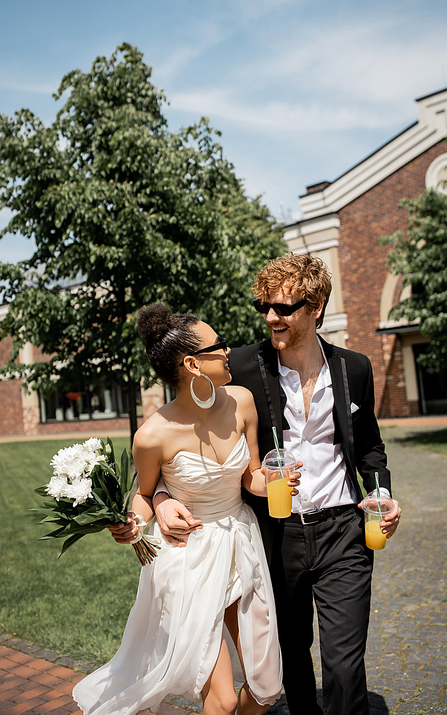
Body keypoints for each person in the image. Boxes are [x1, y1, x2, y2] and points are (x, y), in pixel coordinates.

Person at [154, 254, 401, 715]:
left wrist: (381, 495)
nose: (271, 317)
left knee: (345, 667)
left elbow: (369, 448)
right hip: (276, 536)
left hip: (345, 531)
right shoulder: (241, 368)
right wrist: (162, 496)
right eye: (264, 306)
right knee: (291, 655)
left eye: (284, 308)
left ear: (317, 305)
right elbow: (175, 432)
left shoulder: (356, 369)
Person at [73, 303, 300, 715]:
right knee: (222, 698)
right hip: (190, 556)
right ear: (193, 364)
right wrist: (131, 523)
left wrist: (275, 483)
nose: (229, 351)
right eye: (221, 345)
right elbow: (144, 494)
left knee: (266, 688)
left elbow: (250, 476)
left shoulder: (241, 402)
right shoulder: (152, 435)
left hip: (242, 542)